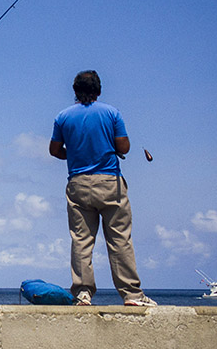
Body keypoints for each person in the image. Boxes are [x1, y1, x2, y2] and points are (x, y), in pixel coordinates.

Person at [49, 70, 157, 307]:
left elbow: (55, 150)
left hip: (78, 183)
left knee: (81, 240)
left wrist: (75, 154)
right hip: (109, 182)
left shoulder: (62, 117)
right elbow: (124, 147)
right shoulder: (112, 113)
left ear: (75, 92)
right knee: (119, 239)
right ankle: (131, 295)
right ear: (98, 91)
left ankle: (83, 293)